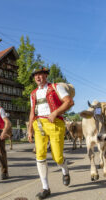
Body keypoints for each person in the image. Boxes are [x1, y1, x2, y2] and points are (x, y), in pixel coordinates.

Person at [28, 67, 74, 199]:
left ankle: (65, 170)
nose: (38, 77)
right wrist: (30, 129)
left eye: (40, 75)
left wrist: (55, 113)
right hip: (39, 124)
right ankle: (45, 188)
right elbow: (32, 112)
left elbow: (69, 102)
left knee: (57, 157)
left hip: (55, 123)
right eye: (35, 75)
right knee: (40, 155)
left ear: (46, 76)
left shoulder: (56, 87)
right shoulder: (33, 93)